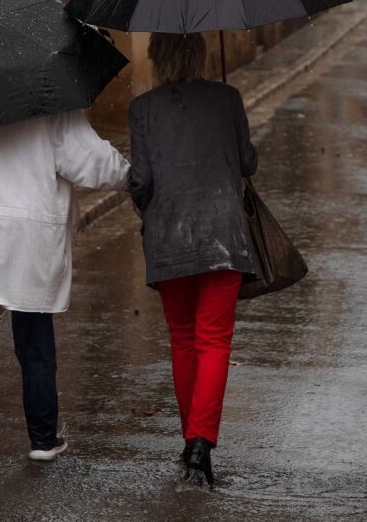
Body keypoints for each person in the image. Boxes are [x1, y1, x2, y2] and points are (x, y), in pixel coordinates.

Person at [0, 111, 129, 473]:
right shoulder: (52, 98)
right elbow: (89, 160)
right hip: (30, 228)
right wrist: (133, 175)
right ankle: (44, 439)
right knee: (34, 336)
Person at [127, 32, 259, 486]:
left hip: (168, 240)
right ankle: (201, 442)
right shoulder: (228, 98)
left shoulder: (142, 109)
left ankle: (190, 440)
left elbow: (140, 181)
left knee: (183, 340)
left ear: (157, 58)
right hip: (223, 237)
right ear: (200, 55)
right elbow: (247, 162)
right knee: (214, 341)